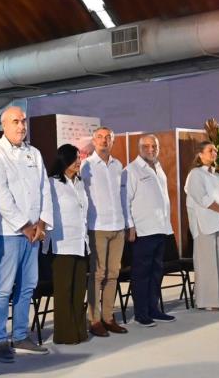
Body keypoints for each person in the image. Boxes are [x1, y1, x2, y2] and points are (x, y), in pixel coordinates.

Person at [0, 106, 53, 362]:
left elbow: (45, 189)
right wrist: (25, 226)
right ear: (4, 125)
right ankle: (0, 339)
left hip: (33, 232)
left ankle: (21, 334)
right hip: (7, 233)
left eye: (23, 121)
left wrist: (42, 223)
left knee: (28, 286)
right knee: (4, 288)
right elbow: (1, 196)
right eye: (15, 122)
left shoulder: (34, 153)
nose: (21, 126)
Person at [122, 135, 176, 325]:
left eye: (154, 146)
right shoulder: (131, 170)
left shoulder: (159, 168)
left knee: (156, 273)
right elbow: (125, 201)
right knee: (141, 275)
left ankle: (154, 309)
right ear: (139, 148)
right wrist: (130, 226)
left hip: (161, 229)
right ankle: (141, 313)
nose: (151, 149)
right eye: (146, 146)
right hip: (142, 231)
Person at [80, 127, 128, 337]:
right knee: (97, 275)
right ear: (93, 140)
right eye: (100, 137)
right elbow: (81, 197)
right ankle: (94, 319)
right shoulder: (87, 165)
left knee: (113, 274)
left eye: (108, 137)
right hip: (97, 225)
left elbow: (123, 197)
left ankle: (109, 317)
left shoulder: (118, 165)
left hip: (118, 225)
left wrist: (128, 223)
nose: (104, 140)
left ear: (112, 141)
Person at [44, 144, 89, 345]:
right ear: (64, 160)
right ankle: (64, 334)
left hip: (81, 242)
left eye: (79, 158)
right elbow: (47, 213)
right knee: (64, 290)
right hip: (61, 244)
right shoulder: (52, 183)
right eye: (75, 158)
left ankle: (80, 331)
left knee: (79, 290)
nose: (79, 162)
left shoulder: (79, 182)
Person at [184, 141, 219, 310]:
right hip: (204, 223)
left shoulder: (218, 175)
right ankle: (207, 302)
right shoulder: (195, 174)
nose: (214, 153)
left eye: (215, 150)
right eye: (210, 150)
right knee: (207, 264)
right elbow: (202, 198)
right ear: (200, 153)